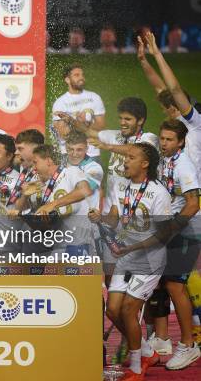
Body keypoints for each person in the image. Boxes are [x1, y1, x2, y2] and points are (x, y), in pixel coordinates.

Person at [92, 142, 172, 381]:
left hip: (149, 260)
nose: (125, 161)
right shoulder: (120, 185)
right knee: (112, 309)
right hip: (126, 257)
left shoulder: (159, 193)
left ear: (145, 164)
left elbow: (163, 234)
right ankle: (147, 351)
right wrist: (101, 218)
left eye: (131, 157)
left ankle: (137, 367)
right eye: (125, 156)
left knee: (128, 309)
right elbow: (115, 220)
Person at [146, 119, 200, 369]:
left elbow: (193, 204)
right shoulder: (164, 158)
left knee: (175, 285)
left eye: (169, 140)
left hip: (187, 230)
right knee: (159, 281)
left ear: (180, 142)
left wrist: (170, 229)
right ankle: (162, 339)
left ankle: (188, 345)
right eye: (162, 138)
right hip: (171, 229)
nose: (164, 143)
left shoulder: (185, 166)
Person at [59, 97, 158, 209]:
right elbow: (87, 131)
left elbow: (136, 149)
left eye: (127, 119)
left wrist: (108, 146)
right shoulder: (115, 135)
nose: (122, 123)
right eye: (120, 118)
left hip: (136, 203)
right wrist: (71, 121)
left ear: (140, 120)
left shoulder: (150, 138)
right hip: (110, 205)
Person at [138, 31, 201, 181]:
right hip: (175, 189)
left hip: (195, 190)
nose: (164, 112)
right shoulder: (178, 124)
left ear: (173, 108)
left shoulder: (193, 122)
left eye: (164, 109)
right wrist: (143, 60)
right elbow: (160, 89)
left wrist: (158, 54)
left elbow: (174, 89)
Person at [19, 144, 93, 256]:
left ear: (48, 161)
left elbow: (85, 191)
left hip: (77, 243)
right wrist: (24, 196)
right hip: (54, 246)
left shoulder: (70, 172)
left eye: (36, 162)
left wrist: (53, 204)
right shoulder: (37, 184)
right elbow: (20, 212)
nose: (34, 168)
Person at [52, 63, 106, 162]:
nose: (81, 78)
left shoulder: (94, 97)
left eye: (82, 75)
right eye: (76, 75)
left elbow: (101, 126)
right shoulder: (60, 103)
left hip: (92, 153)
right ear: (67, 80)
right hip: (69, 155)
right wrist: (84, 125)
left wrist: (75, 123)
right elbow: (64, 134)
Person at [65, 131, 103, 210]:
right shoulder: (60, 163)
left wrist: (54, 204)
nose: (74, 154)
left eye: (79, 150)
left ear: (87, 149)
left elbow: (83, 191)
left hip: (84, 219)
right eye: (71, 149)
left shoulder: (95, 168)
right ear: (66, 148)